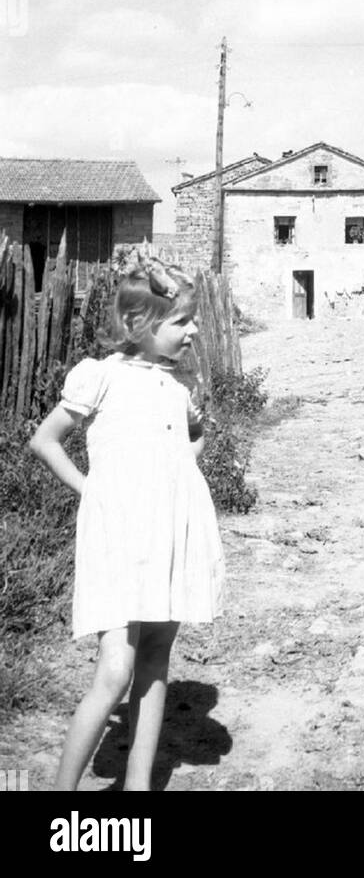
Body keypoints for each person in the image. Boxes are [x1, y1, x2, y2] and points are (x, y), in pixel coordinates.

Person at [28, 258, 225, 791]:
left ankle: (138, 792)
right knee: (116, 670)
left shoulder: (174, 389)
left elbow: (183, 453)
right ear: (141, 325)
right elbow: (45, 441)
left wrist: (197, 432)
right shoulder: (103, 376)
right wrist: (92, 489)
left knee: (156, 657)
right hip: (119, 536)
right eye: (182, 322)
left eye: (194, 321)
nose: (194, 332)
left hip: (166, 532)